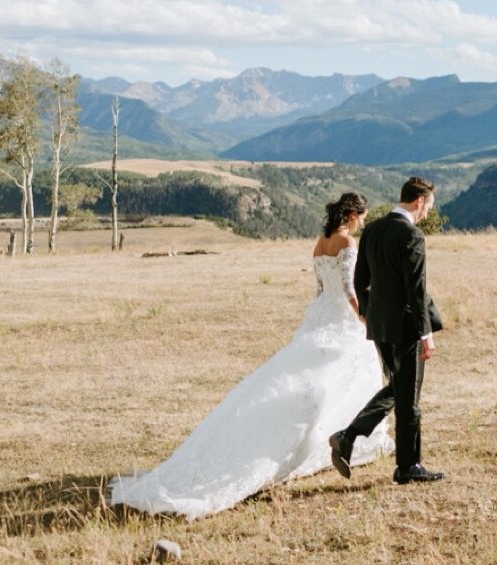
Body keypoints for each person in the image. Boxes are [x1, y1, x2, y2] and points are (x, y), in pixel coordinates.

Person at [108, 193, 393, 518]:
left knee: (315, 376)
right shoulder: (348, 242)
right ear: (353, 214)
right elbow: (348, 288)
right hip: (341, 317)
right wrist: (364, 317)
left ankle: (341, 433)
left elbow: (319, 288)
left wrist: (320, 313)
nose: (363, 222)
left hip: (321, 314)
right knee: (351, 370)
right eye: (363, 216)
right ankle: (353, 437)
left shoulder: (319, 242)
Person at [330, 176, 445, 484]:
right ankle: (408, 466)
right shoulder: (412, 235)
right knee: (409, 398)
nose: (427, 214)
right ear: (419, 201)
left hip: (379, 326)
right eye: (428, 207)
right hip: (406, 327)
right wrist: (426, 333)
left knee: (398, 388)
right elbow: (416, 290)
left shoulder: (373, 229)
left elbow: (359, 280)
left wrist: (368, 313)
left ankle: (349, 436)